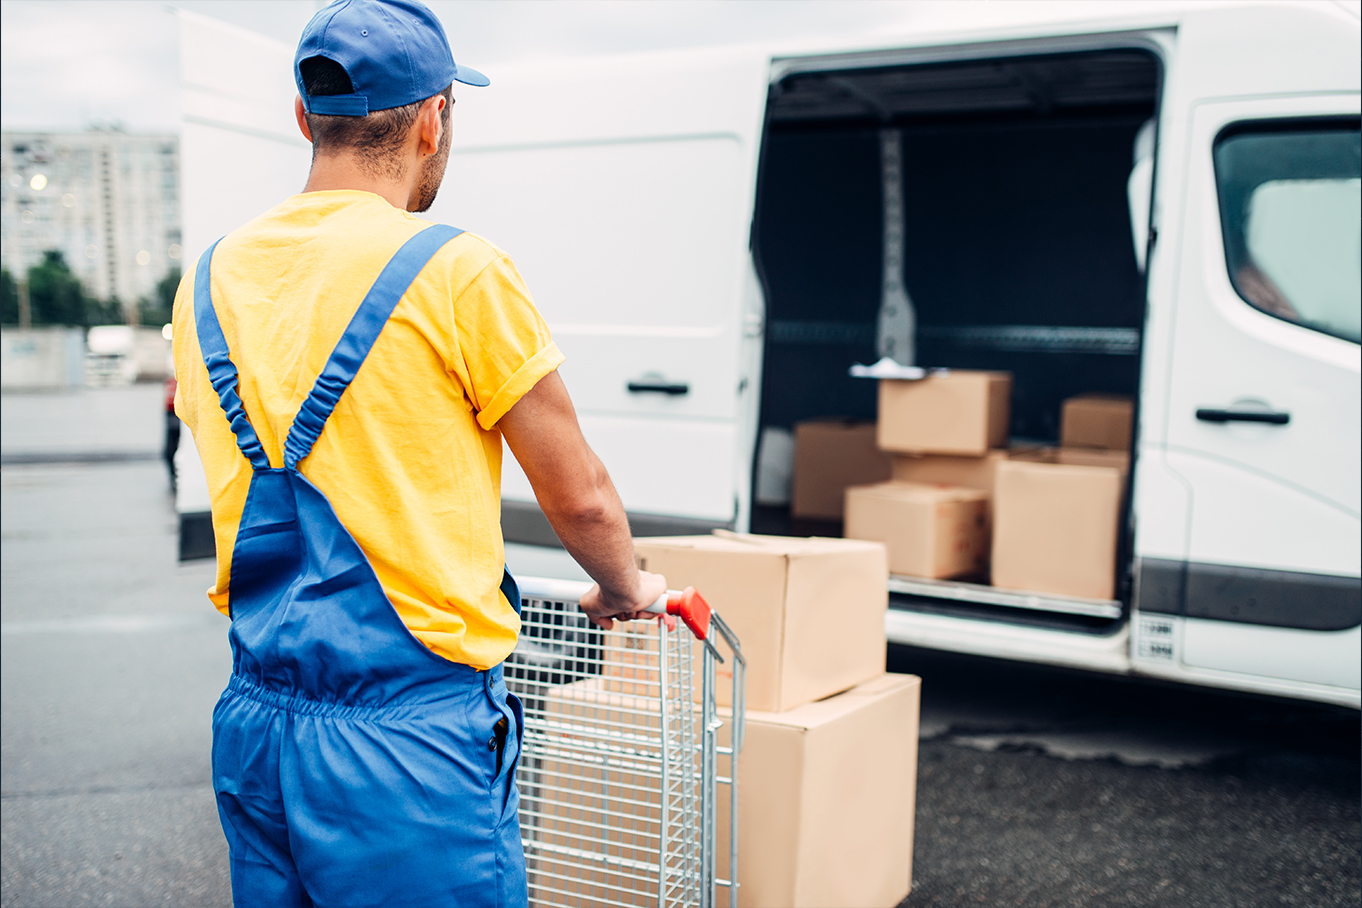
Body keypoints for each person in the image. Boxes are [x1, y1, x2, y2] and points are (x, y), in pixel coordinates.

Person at [171, 2, 666, 905]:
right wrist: (626, 587)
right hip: (408, 745)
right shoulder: (457, 269)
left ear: (302, 116)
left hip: (255, 724)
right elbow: (582, 496)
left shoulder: (211, 275)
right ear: (434, 119)